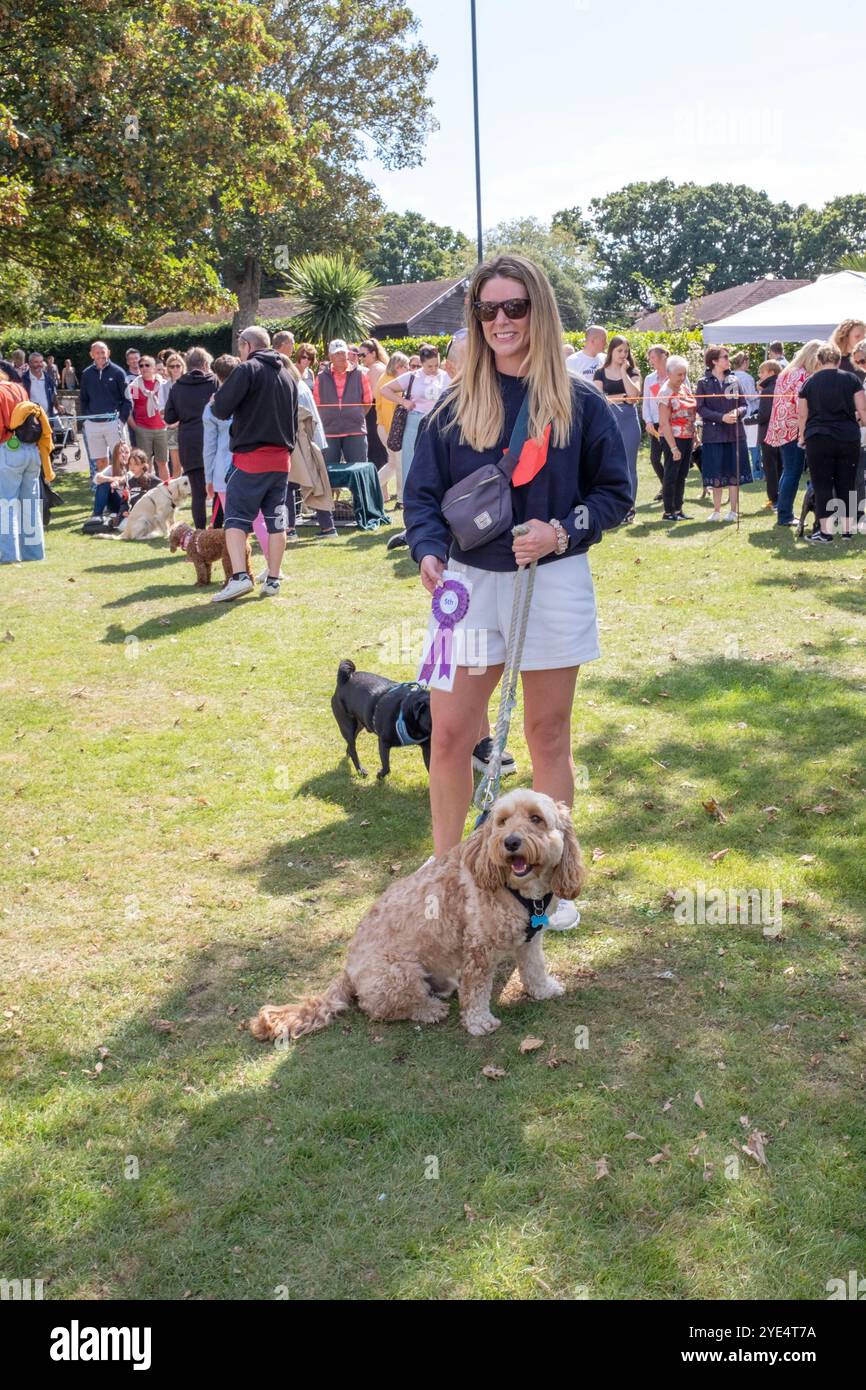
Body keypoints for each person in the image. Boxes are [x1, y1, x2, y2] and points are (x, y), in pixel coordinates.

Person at [403, 253, 631, 932]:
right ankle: (450, 872)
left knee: (545, 735)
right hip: (469, 588)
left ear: (538, 309)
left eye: (515, 307)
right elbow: (419, 497)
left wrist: (561, 530)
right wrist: (428, 553)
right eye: (488, 309)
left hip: (552, 581)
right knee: (449, 736)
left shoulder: (581, 401)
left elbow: (616, 495)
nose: (501, 321)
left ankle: (549, 890)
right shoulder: (453, 403)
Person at [210, 325, 297, 601]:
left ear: (247, 345)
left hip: (250, 459)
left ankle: (239, 577)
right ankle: (273, 579)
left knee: (234, 520)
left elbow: (220, 409)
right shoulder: (288, 374)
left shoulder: (247, 369)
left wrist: (216, 400)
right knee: (276, 522)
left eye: (240, 347)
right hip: (282, 461)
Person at [797, 341, 866, 542]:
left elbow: (802, 414)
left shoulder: (809, 382)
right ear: (838, 359)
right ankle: (847, 530)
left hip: (818, 437)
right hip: (848, 437)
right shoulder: (852, 379)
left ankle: (825, 532)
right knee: (847, 482)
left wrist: (802, 436)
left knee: (822, 484)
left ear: (818, 360)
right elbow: (862, 410)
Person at [766, 339, 823, 527]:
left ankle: (783, 510)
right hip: (794, 428)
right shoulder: (802, 375)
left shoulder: (788, 372)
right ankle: (785, 515)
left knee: (788, 471)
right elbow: (802, 407)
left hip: (782, 426)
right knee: (793, 472)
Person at [277, 353, 336, 538]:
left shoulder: (292, 386)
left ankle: (290, 528)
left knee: (289, 486)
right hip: (306, 441)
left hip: (301, 442)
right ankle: (327, 527)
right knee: (312, 483)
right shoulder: (299, 384)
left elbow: (298, 418)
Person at [379, 344, 449, 487]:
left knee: (438, 459)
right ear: (422, 363)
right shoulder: (412, 376)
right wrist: (403, 401)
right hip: (414, 421)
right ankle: (409, 496)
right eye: (429, 366)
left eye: (436, 365)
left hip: (439, 421)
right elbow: (384, 390)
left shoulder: (446, 376)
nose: (434, 369)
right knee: (410, 460)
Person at [164, 346, 216, 529]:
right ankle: (217, 530)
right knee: (218, 490)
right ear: (205, 364)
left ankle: (200, 533)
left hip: (189, 441)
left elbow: (169, 417)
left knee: (198, 492)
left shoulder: (178, 387)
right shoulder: (214, 383)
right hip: (213, 439)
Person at [0, 372, 50, 563]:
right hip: (30, 450)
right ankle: (33, 553)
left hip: (8, 448)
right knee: (29, 503)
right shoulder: (19, 388)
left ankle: (8, 555)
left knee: (6, 504)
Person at [592, 335, 641, 518]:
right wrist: (620, 398)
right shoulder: (600, 372)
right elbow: (598, 400)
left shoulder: (633, 372)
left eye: (626, 351)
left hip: (628, 421)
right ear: (611, 351)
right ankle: (609, 505)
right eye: (619, 351)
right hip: (607, 421)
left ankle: (629, 508)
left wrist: (623, 373)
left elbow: (634, 397)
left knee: (629, 466)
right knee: (606, 464)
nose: (623, 354)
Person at [313, 338, 373, 466]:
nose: (341, 356)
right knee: (329, 473)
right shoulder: (320, 377)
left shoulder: (361, 374)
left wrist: (355, 416)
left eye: (343, 352)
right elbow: (316, 404)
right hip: (329, 431)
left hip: (355, 430)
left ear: (348, 354)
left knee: (359, 469)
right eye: (337, 353)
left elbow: (367, 402)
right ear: (330, 356)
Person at [78, 341, 132, 483]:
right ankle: (106, 493)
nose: (101, 355)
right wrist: (86, 420)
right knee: (101, 462)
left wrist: (121, 421)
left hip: (114, 423)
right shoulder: (86, 374)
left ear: (108, 352)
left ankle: (121, 493)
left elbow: (127, 400)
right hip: (93, 425)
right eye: (97, 352)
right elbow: (83, 399)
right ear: (91, 355)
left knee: (120, 460)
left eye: (103, 352)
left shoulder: (118, 372)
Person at [656, 355, 696, 521]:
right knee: (671, 474)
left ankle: (678, 509)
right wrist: (673, 447)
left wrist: (695, 436)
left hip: (687, 437)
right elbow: (664, 423)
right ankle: (668, 511)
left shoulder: (684, 388)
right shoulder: (665, 392)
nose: (682, 377)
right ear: (669, 374)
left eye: (684, 374)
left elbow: (691, 413)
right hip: (673, 438)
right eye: (679, 374)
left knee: (682, 474)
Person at [125, 355, 170, 480]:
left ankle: (166, 490)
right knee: (146, 463)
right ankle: (147, 491)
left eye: (147, 365)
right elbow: (128, 409)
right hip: (143, 429)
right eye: (141, 365)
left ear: (155, 368)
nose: (144, 368)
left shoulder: (162, 384)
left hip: (162, 428)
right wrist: (135, 427)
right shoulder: (134, 386)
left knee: (163, 462)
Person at [375, 350, 409, 507]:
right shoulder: (388, 381)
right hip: (389, 429)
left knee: (393, 464)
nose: (408, 369)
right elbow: (389, 413)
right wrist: (394, 435)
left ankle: (370, 488)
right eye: (405, 366)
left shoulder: (387, 379)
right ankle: (402, 499)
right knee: (399, 464)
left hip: (386, 428)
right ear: (397, 366)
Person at [642, 344, 670, 502]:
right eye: (649, 358)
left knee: (670, 458)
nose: (650, 360)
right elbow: (646, 402)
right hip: (655, 424)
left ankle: (669, 490)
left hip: (671, 423)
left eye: (652, 357)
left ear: (662, 356)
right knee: (654, 458)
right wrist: (648, 421)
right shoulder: (649, 378)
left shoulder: (675, 374)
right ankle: (666, 486)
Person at [359, 339, 389, 475]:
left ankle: (382, 491)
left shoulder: (375, 369)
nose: (361, 358)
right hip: (379, 412)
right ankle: (384, 492)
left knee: (376, 451)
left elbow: (369, 397)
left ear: (373, 354)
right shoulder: (381, 367)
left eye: (363, 355)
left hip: (373, 414)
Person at [731, 351, 762, 480]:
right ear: (744, 362)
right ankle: (756, 473)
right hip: (748, 413)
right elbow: (751, 396)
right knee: (754, 444)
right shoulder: (746, 377)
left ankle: (738, 471)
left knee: (737, 444)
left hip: (733, 413)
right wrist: (761, 393)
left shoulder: (730, 376)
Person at [757, 359, 783, 508]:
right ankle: (778, 498)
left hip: (768, 433)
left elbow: (764, 415)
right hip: (780, 432)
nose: (760, 375)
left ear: (772, 373)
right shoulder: (780, 386)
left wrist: (749, 419)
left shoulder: (768, 390)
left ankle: (774, 499)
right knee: (778, 466)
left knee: (770, 468)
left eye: (762, 372)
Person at [91, 439, 131, 519]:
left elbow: (125, 478)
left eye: (127, 452)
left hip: (129, 503)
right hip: (117, 502)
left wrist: (117, 481)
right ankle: (96, 517)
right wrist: (112, 479)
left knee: (106, 483)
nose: (124, 455)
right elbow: (96, 478)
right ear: (116, 455)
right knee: (103, 485)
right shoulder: (111, 468)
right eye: (120, 453)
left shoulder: (133, 467)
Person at [22, 352, 58, 426]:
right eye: (36, 362)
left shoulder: (48, 378)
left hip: (48, 419)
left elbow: (53, 395)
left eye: (41, 362)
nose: (39, 364)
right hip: (31, 421)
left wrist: (58, 406)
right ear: (30, 363)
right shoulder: (24, 379)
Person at [163, 355, 185, 475]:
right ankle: (177, 493)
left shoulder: (188, 384)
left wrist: (179, 421)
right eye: (172, 366)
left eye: (178, 365)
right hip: (171, 427)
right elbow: (162, 409)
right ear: (168, 368)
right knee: (176, 466)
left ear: (183, 367)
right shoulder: (164, 386)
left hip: (187, 426)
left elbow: (190, 408)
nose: (175, 369)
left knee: (189, 463)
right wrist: (172, 423)